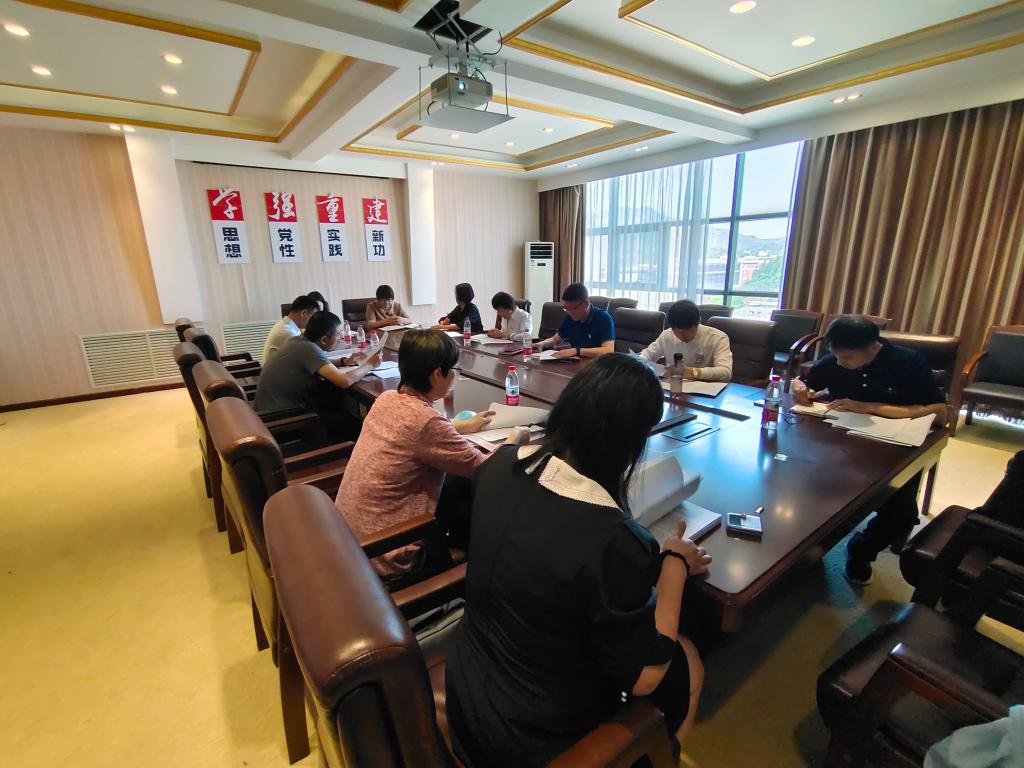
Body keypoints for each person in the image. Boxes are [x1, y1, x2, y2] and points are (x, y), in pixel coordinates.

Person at [445, 354, 711, 767]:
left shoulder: (497, 466)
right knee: (686, 659)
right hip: (531, 739)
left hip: (468, 692)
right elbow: (645, 677)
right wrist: (675, 561)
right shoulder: (615, 540)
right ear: (631, 442)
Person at [335, 329, 529, 582]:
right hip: (386, 554)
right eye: (454, 370)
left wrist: (459, 426)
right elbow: (486, 469)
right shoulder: (426, 422)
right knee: (480, 495)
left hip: (349, 541)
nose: (455, 375)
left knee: (454, 487)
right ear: (438, 374)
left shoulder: (387, 399)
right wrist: (515, 439)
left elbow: (413, 434)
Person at [792, 315, 948, 585]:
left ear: (874, 346)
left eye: (848, 358)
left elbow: (939, 413)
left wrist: (870, 407)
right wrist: (799, 387)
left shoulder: (908, 363)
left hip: (891, 450)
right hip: (839, 445)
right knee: (803, 487)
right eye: (836, 356)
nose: (840, 363)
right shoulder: (836, 361)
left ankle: (860, 551)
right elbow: (806, 382)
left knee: (901, 515)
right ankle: (807, 551)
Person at [254, 311, 380, 417]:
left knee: (336, 396)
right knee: (351, 420)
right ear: (324, 339)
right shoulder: (308, 348)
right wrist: (370, 364)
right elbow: (344, 381)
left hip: (271, 408)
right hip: (283, 418)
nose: (339, 338)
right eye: (338, 334)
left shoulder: (299, 341)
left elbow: (317, 363)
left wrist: (344, 361)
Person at [640, 300, 732, 381]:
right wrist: (638, 361)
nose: (682, 336)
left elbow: (726, 372)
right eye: (677, 332)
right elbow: (647, 355)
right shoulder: (667, 335)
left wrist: (692, 372)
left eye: (686, 331)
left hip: (706, 390)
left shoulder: (718, 338)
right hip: (674, 387)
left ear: (697, 323)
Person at [535, 282, 615, 359]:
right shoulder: (570, 317)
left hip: (595, 364)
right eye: (566, 308)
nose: (569, 312)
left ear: (586, 303)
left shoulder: (603, 318)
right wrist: (542, 344)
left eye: (573, 309)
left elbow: (608, 350)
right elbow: (555, 339)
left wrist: (577, 351)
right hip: (575, 363)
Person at [262, 294, 321, 364]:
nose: (313, 321)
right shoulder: (289, 333)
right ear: (303, 313)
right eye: (312, 317)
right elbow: (311, 360)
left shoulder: (284, 324)